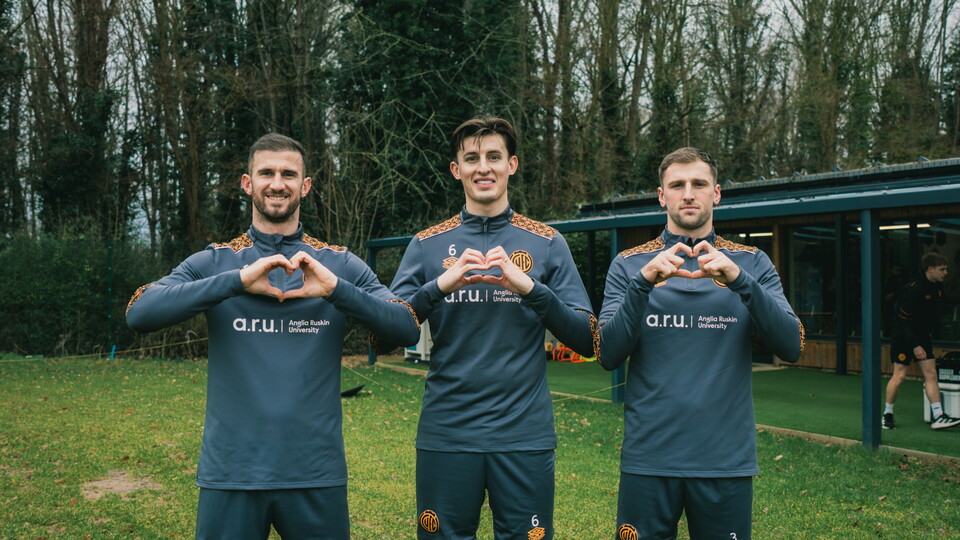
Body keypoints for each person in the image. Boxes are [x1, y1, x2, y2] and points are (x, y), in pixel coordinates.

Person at [126, 133, 420, 539]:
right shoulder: (217, 261)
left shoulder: (338, 264)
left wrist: (336, 290)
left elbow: (405, 325)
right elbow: (139, 312)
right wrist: (236, 281)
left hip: (316, 473)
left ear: (305, 185)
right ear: (248, 183)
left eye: (288, 173)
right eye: (266, 172)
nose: (277, 183)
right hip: (231, 473)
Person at [388, 117, 597, 539]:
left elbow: (588, 338)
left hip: (524, 435)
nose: (483, 167)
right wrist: (439, 285)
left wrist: (530, 289)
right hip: (447, 434)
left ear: (512, 165)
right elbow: (389, 330)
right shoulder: (426, 243)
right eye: (472, 158)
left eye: (494, 157)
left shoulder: (548, 242)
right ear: (456, 169)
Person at [598, 147, 804, 540]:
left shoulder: (752, 261)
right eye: (677, 185)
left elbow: (792, 346)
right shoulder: (629, 264)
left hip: (724, 461)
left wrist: (741, 281)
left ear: (717, 193)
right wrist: (642, 285)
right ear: (662, 196)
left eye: (699, 184)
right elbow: (608, 354)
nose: (688, 193)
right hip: (649, 460)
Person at [883, 252, 960, 430]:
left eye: (946, 269)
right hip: (904, 337)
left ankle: (938, 416)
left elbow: (947, 302)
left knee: (931, 374)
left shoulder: (936, 288)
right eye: (942, 269)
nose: (945, 273)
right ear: (930, 269)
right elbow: (902, 320)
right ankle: (887, 414)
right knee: (900, 375)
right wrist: (915, 345)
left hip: (923, 336)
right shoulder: (913, 288)